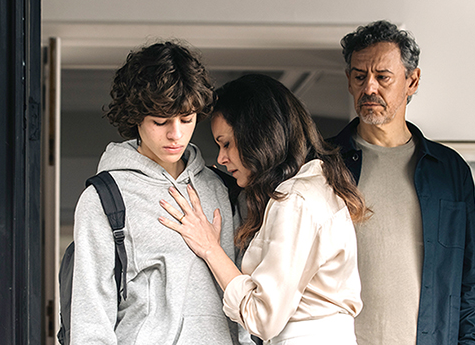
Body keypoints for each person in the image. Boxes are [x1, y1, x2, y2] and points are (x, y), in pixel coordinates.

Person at [158, 73, 368, 345]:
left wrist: (210, 248)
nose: (221, 158)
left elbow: (262, 318)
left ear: (257, 135)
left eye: (227, 143)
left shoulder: (295, 200)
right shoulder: (319, 183)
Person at [69, 41, 245, 344]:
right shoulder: (105, 199)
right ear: (136, 117)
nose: (175, 134)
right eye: (160, 122)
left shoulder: (221, 189)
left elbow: (245, 304)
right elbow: (90, 320)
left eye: (186, 120)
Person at [328, 20, 475, 344]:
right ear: (349, 80)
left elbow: (468, 283)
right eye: (360, 76)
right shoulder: (321, 163)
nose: (369, 88)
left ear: (412, 81)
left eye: (382, 77)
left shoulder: (450, 171)